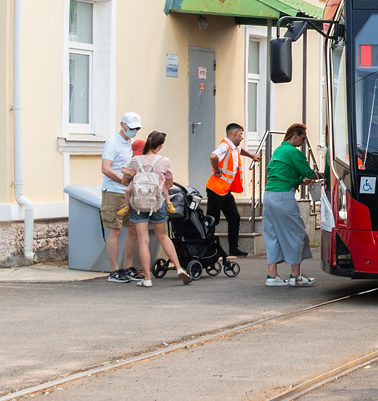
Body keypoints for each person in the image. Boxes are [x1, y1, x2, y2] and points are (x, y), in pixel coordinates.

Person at [126, 132, 191, 287]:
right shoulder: (164, 161)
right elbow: (169, 183)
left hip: (139, 204)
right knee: (163, 236)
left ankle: (147, 278)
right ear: (160, 146)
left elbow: (125, 181)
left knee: (143, 240)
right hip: (158, 202)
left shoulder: (135, 161)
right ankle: (179, 268)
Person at [262, 123, 318, 287]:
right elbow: (309, 173)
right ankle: (295, 276)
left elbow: (276, 172)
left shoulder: (279, 150)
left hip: (268, 195)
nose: (303, 142)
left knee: (272, 235)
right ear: (295, 135)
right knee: (297, 234)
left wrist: (298, 180)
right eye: (303, 138)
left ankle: (272, 276)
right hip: (283, 196)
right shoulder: (294, 152)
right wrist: (321, 175)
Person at [207, 122, 261, 257]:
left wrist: (251, 156)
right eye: (241, 134)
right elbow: (213, 156)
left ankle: (233, 248)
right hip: (216, 189)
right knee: (212, 220)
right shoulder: (224, 146)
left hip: (225, 190)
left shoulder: (234, 147)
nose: (242, 137)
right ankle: (209, 249)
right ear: (235, 133)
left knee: (234, 217)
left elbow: (240, 150)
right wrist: (217, 170)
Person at [101, 112, 143, 283]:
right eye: (132, 128)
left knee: (133, 229)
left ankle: (127, 267)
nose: (135, 131)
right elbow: (106, 168)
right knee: (115, 229)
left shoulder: (132, 143)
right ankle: (114, 271)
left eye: (137, 129)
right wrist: (122, 181)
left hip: (130, 192)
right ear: (122, 125)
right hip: (114, 191)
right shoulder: (112, 143)